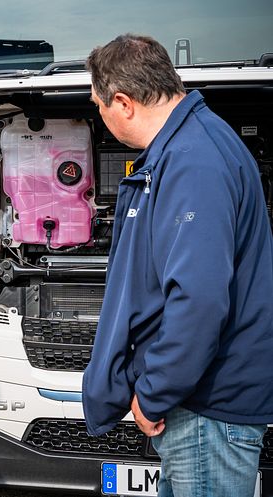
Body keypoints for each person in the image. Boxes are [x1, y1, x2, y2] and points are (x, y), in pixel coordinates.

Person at [82, 34, 273, 497]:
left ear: (123, 103)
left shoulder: (194, 162)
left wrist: (154, 392)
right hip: (199, 410)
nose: (100, 118)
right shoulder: (187, 149)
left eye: (99, 106)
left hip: (207, 411)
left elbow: (199, 298)